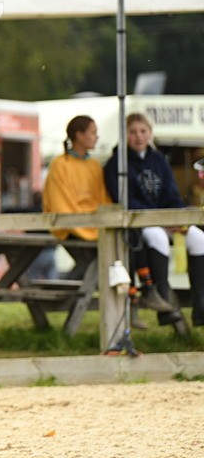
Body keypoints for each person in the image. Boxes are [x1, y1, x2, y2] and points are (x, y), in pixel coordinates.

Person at [104, 112, 204, 329]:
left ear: (150, 133)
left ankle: (200, 303)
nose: (138, 137)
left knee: (199, 238)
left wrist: (178, 218)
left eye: (143, 131)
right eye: (132, 132)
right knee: (157, 236)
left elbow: (171, 193)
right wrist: (160, 220)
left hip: (165, 219)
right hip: (138, 223)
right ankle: (162, 298)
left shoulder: (158, 159)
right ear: (125, 134)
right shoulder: (116, 163)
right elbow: (124, 200)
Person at [42, 115, 110, 242]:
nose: (97, 137)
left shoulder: (94, 165)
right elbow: (60, 203)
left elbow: (103, 199)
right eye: (93, 132)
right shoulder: (60, 164)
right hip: (70, 228)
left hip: (96, 225)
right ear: (79, 135)